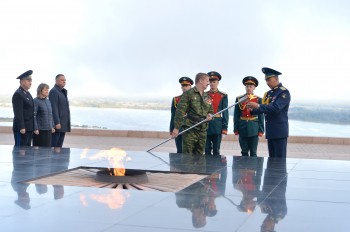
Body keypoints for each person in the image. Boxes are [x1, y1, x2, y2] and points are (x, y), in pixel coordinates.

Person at [247, 67, 291, 158]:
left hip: (279, 132)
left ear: (276, 79)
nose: (267, 83)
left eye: (269, 80)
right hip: (271, 131)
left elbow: (275, 108)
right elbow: (265, 108)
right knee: (272, 161)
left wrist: (258, 106)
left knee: (279, 161)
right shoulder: (269, 93)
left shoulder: (283, 92)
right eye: (266, 80)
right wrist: (253, 110)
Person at [172, 73, 213, 155]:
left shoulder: (207, 96)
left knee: (199, 157)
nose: (209, 83)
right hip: (190, 130)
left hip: (202, 130)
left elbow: (211, 111)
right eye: (207, 81)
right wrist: (176, 128)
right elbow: (180, 111)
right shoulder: (188, 94)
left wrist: (210, 115)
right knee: (188, 158)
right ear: (200, 81)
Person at [234, 76, 264, 156]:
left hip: (254, 128)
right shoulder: (239, 99)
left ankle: (252, 168)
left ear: (254, 87)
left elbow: (261, 116)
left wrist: (261, 130)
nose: (248, 88)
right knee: (244, 151)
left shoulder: (258, 99)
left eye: (250, 86)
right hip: (242, 127)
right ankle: (244, 168)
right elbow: (236, 115)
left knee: (253, 152)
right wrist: (235, 128)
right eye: (247, 86)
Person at [205, 71, 229, 157]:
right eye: (210, 82)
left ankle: (215, 169)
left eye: (214, 82)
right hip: (206, 125)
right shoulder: (204, 94)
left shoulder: (223, 95)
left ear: (218, 82)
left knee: (216, 150)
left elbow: (225, 112)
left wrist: (224, 128)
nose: (212, 84)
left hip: (217, 126)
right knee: (206, 150)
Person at [169, 76, 193, 153]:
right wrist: (172, 128)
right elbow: (173, 115)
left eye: (186, 85)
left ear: (190, 86)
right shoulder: (176, 99)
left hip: (191, 128)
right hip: (179, 128)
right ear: (181, 87)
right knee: (179, 150)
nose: (184, 87)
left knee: (191, 151)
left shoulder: (196, 99)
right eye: (183, 85)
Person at [12, 70, 34, 146]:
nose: (30, 82)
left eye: (31, 80)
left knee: (27, 152)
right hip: (22, 129)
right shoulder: (18, 94)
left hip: (29, 128)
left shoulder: (27, 93)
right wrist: (21, 127)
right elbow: (18, 113)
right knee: (20, 152)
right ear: (21, 81)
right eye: (28, 80)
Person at [49, 74, 71, 147]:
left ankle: (57, 158)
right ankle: (52, 159)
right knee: (54, 146)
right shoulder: (53, 91)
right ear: (56, 81)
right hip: (58, 125)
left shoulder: (62, 92)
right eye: (62, 80)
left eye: (65, 80)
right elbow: (54, 108)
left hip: (63, 124)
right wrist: (57, 122)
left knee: (59, 147)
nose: (64, 81)